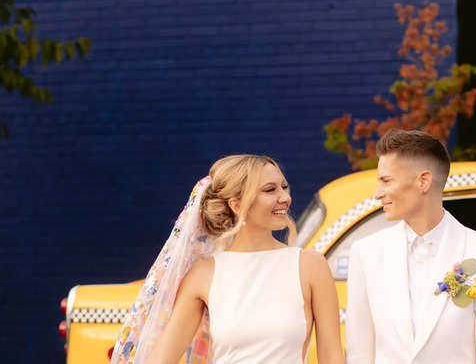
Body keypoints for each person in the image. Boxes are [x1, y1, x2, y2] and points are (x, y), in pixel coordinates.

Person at [111, 154, 344, 364]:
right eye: (270, 190)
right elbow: (161, 359)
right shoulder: (204, 274)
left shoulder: (310, 266)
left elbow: (332, 356)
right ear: (236, 204)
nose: (284, 197)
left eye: (284, 187)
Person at [345, 129, 476, 364]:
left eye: (386, 181)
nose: (377, 194)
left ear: (423, 181)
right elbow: (359, 353)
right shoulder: (366, 254)